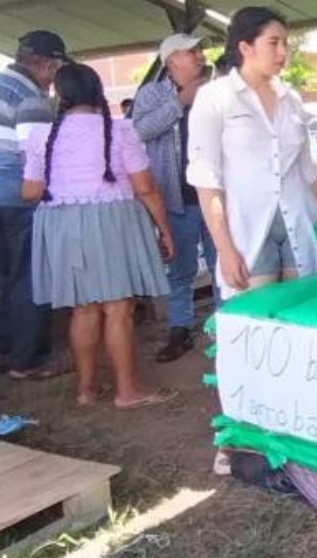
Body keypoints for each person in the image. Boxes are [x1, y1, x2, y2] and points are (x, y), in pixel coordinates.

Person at [22, 63, 176, 409]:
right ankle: (127, 391)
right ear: (98, 92)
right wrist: (164, 230)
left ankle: (86, 390)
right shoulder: (120, 131)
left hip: (62, 226)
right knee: (119, 308)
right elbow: (145, 187)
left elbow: (30, 191)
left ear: (59, 96)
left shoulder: (41, 136)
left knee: (84, 309)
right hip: (112, 221)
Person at [187, 7, 317, 300]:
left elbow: (307, 169)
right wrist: (224, 250)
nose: (282, 52)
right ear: (245, 47)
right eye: (273, 43)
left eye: (285, 43)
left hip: (299, 219)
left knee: (300, 314)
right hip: (246, 226)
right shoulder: (215, 98)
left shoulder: (292, 99)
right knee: (258, 319)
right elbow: (206, 180)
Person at [133, 33, 220, 363]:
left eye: (200, 50)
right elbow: (138, 131)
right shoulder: (151, 94)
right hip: (175, 196)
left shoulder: (218, 89)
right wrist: (180, 101)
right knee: (181, 270)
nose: (200, 56)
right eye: (192, 51)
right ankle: (180, 329)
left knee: (222, 265)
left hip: (214, 195)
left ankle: (226, 328)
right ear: (172, 60)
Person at [0, 31, 67, 379]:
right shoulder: (32, 98)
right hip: (17, 202)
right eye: (56, 67)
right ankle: (27, 360)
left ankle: (5, 350)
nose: (55, 77)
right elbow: (36, 162)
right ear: (43, 62)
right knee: (29, 277)